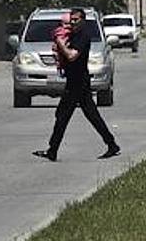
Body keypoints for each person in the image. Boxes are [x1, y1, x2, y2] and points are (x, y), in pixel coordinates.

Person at [34, 9, 121, 162]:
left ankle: (52, 150)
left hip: (79, 83)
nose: (73, 22)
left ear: (83, 20)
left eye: (76, 19)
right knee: (82, 115)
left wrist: (61, 44)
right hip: (73, 81)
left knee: (64, 116)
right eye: (71, 19)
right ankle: (111, 144)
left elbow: (71, 55)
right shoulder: (73, 35)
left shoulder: (83, 36)